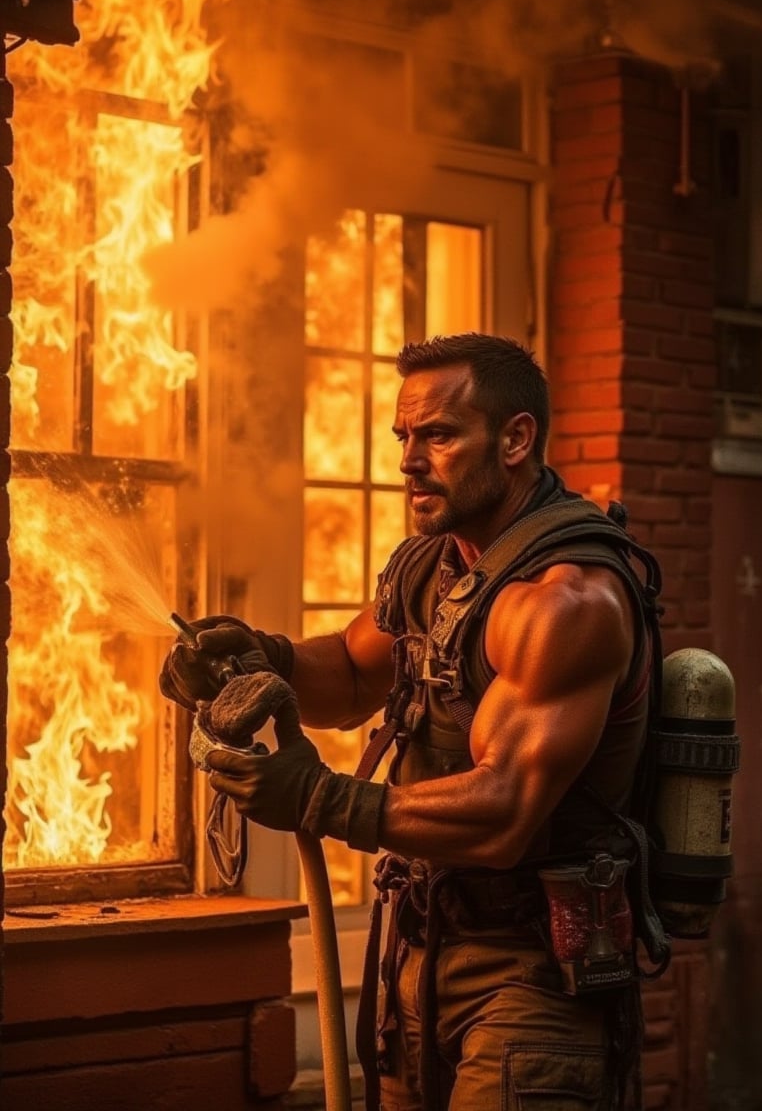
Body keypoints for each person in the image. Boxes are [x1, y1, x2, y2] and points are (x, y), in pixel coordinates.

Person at [160, 332, 664, 1111]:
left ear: (515, 439)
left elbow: (503, 813)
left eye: (439, 435)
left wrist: (322, 800)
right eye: (404, 436)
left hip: (529, 979)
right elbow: (357, 674)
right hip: (415, 961)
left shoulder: (568, 601)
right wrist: (260, 657)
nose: (408, 460)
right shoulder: (438, 563)